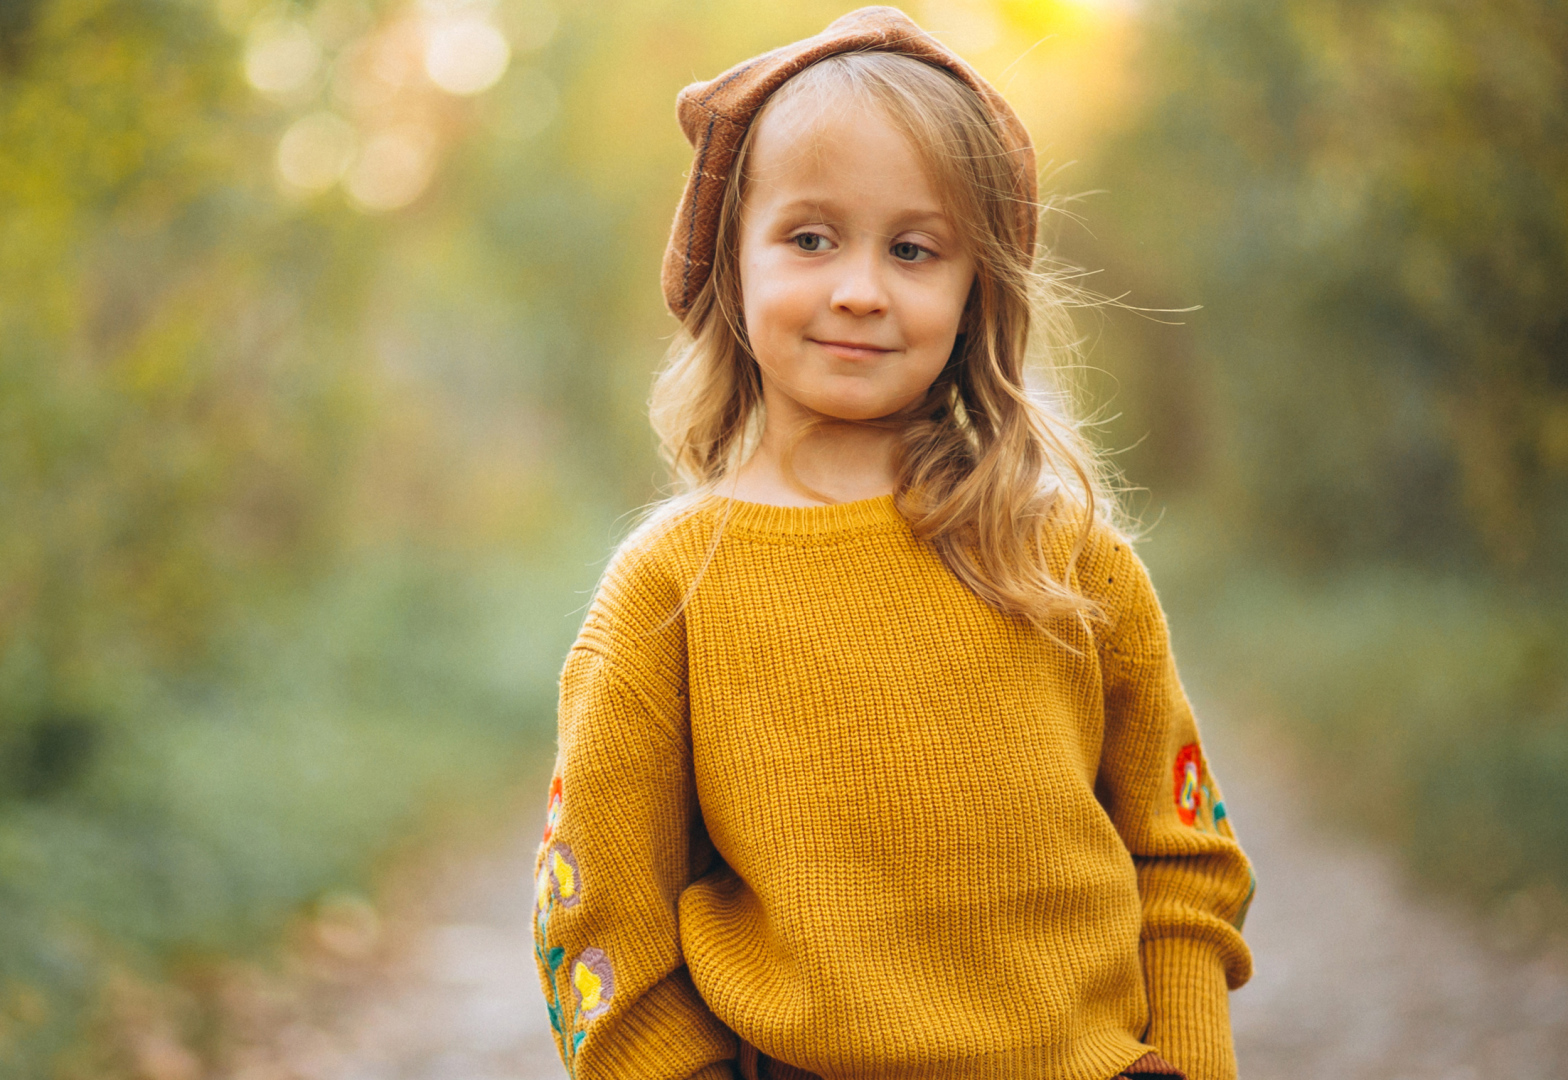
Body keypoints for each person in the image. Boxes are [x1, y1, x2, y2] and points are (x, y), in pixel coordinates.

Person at [530, 8, 1254, 1080]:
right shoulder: (672, 588)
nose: (860, 289)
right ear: (732, 262)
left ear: (975, 295)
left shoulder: (1065, 556)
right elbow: (598, 912)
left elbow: (1180, 857)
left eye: (913, 250)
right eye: (811, 237)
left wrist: (1192, 1063)